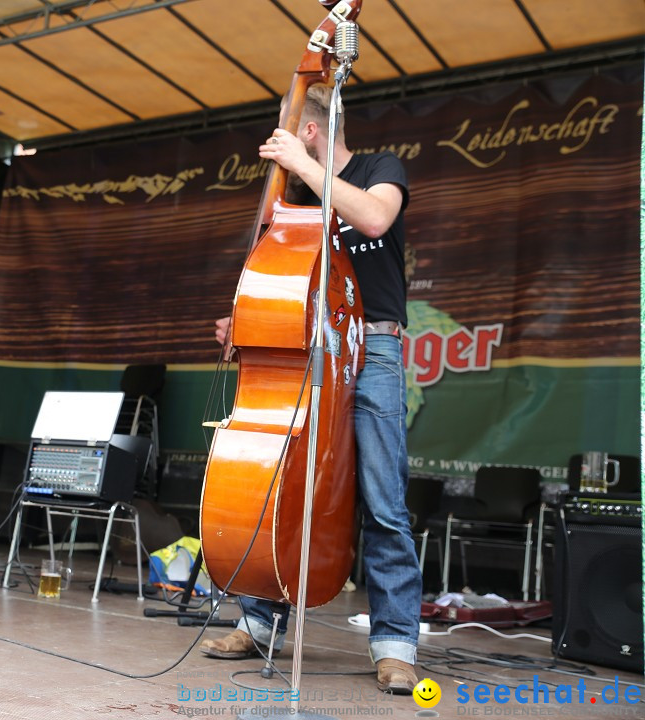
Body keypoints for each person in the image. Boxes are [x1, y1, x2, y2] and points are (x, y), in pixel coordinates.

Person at [202, 85, 422, 694]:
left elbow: (376, 216)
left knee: (383, 500)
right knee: (279, 486)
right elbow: (281, 280)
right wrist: (247, 319)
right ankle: (258, 619)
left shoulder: (379, 169)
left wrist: (305, 168)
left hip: (370, 349)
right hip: (305, 351)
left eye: (284, 127)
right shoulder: (291, 196)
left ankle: (396, 644)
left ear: (308, 130)